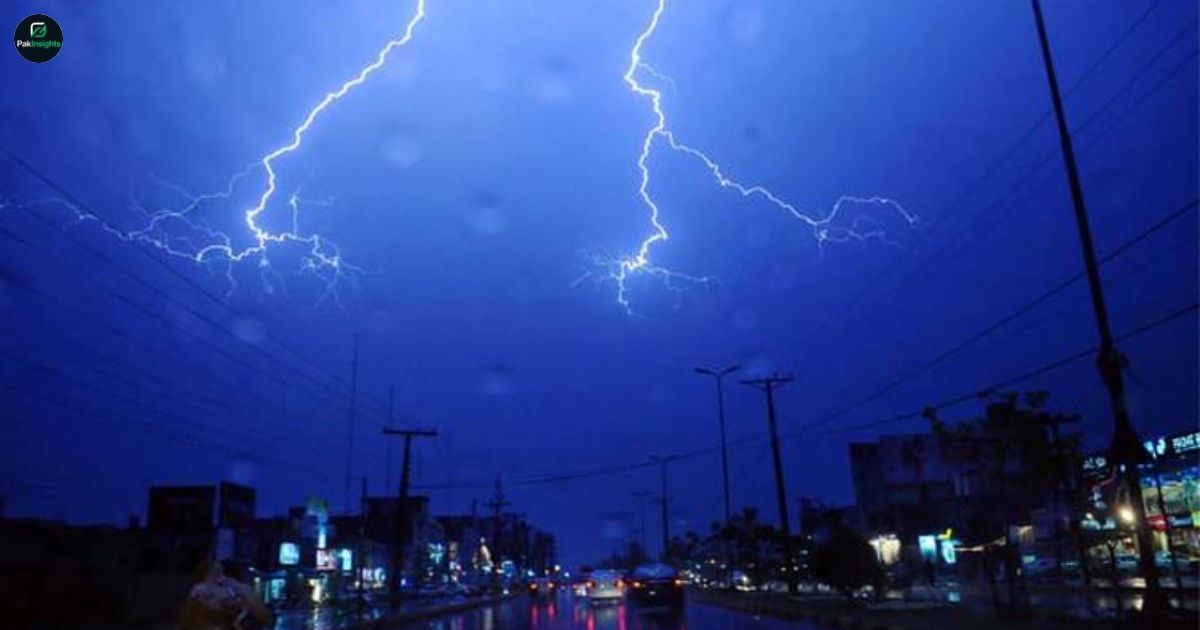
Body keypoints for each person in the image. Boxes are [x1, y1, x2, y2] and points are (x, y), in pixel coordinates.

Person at [178, 558, 273, 630]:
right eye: (216, 572)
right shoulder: (201, 589)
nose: (220, 576)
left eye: (220, 572)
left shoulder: (231, 588)